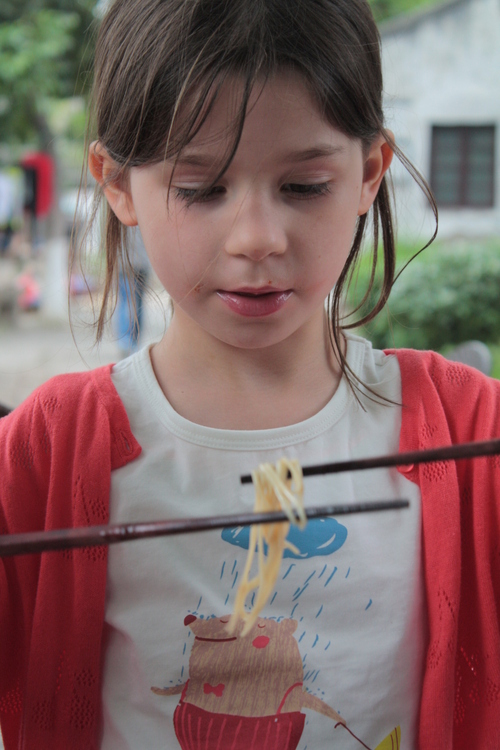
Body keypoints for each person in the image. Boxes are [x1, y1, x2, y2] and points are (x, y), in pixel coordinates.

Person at [0, 1, 498, 749]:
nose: (258, 238)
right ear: (116, 183)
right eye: (201, 189)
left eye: (303, 187)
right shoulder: (53, 446)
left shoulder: (472, 433)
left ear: (368, 174)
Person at [114, 227, 151, 357]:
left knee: (133, 304)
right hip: (131, 265)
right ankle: (128, 342)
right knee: (130, 303)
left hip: (134, 265)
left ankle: (131, 342)